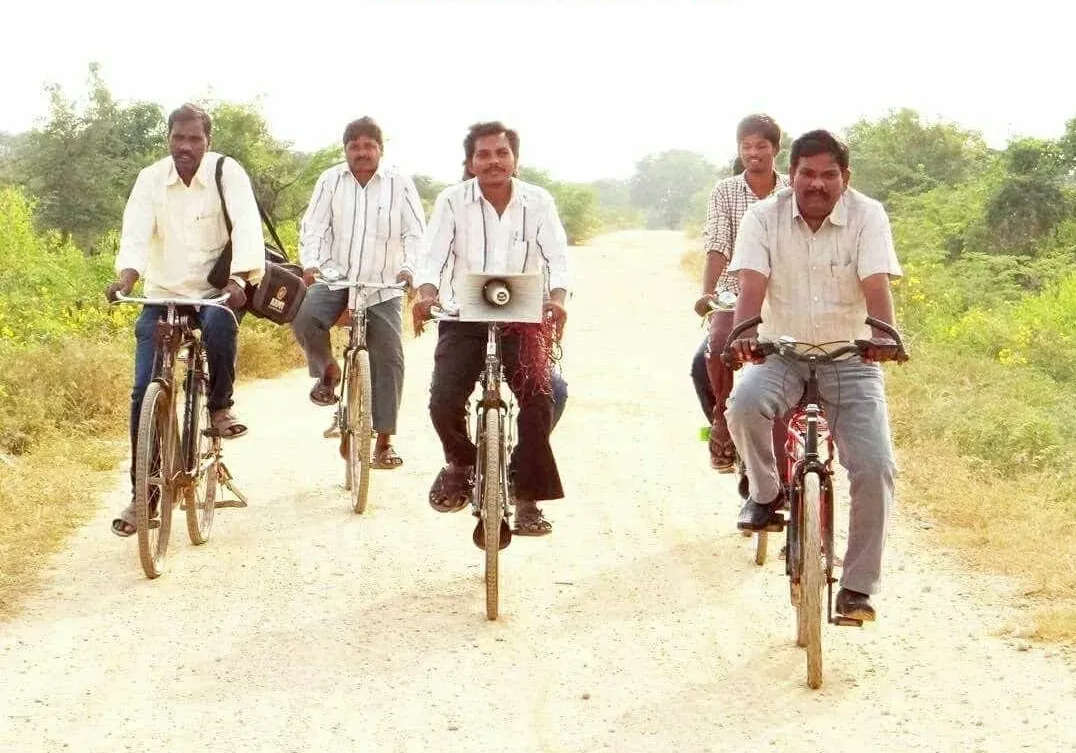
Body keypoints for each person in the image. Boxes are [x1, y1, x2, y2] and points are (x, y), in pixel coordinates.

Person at [723, 129, 907, 621]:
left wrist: (884, 334)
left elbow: (875, 281)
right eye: (807, 173)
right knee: (743, 406)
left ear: (845, 178)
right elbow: (752, 283)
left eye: (829, 174)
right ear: (793, 174)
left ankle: (857, 589)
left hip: (851, 358)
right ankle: (765, 494)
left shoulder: (867, 215)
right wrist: (745, 330)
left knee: (874, 467)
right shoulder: (764, 216)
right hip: (781, 351)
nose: (817, 184)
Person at [106, 103, 264, 537]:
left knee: (219, 327)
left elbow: (248, 227)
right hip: (163, 294)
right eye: (179, 138)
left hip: (214, 292)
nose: (186, 146)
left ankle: (219, 407)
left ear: (207, 141)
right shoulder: (150, 179)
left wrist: (240, 281)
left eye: (194, 139)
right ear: (168, 139)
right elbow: (135, 235)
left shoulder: (226, 173)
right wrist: (125, 278)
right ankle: (145, 496)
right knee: (144, 389)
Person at [412, 120, 569, 537]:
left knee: (543, 396)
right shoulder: (451, 201)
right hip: (463, 315)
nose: (493, 161)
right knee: (443, 397)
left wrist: (558, 299)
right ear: (470, 163)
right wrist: (427, 294)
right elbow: (432, 256)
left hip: (522, 318)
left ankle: (526, 493)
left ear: (515, 160)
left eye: (501, 153)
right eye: (484, 154)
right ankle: (460, 463)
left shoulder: (538, 202)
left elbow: (556, 257)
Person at [291, 117, 425, 468]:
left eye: (369, 146)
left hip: (384, 284)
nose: (362, 153)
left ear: (381, 149)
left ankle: (383, 441)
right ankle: (328, 371)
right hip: (336, 278)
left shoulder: (400, 183)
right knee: (304, 317)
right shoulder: (330, 180)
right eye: (355, 146)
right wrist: (312, 263)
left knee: (390, 357)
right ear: (346, 150)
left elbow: (415, 233)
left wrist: (408, 269)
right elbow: (314, 228)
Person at [689, 114, 789, 471]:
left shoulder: (793, 190)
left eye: (761, 146)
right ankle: (722, 423)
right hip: (735, 291)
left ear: (776, 149)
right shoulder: (725, 191)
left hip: (785, 294)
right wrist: (707, 294)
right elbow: (717, 245)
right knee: (713, 351)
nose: (753, 153)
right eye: (746, 146)